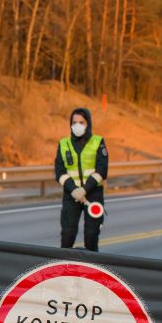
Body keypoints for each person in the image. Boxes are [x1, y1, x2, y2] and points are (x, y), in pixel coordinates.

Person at [55, 107, 109, 252]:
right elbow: (59, 172)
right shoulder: (63, 144)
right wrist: (74, 190)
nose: (77, 125)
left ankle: (91, 271)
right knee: (67, 236)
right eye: (74, 122)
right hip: (71, 195)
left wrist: (84, 190)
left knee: (91, 237)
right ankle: (64, 271)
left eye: (81, 122)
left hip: (93, 194)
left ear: (88, 123)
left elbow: (102, 170)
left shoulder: (98, 142)